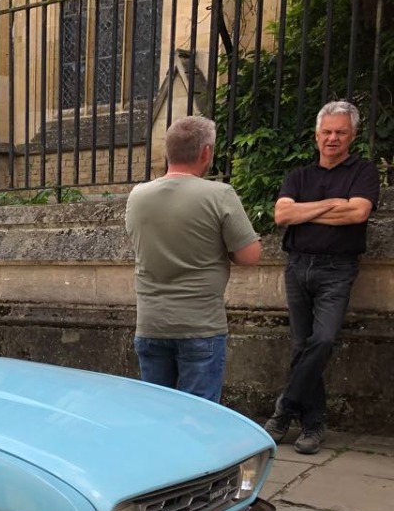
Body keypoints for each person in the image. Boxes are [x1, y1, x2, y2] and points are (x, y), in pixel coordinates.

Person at [264, 101, 381, 454]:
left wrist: (307, 211)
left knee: (324, 340)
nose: (333, 138)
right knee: (302, 346)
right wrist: (332, 204)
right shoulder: (298, 176)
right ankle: (313, 426)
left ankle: (284, 410)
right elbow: (282, 214)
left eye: (340, 132)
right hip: (298, 265)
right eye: (327, 131)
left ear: (352, 135)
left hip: (337, 269)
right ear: (316, 135)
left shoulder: (363, 172)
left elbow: (358, 213)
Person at [125, 116, 262, 402]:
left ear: (168, 152)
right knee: (198, 420)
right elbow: (250, 256)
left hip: (151, 323)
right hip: (199, 324)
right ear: (206, 152)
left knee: (156, 413)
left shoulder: (138, 195)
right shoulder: (219, 194)